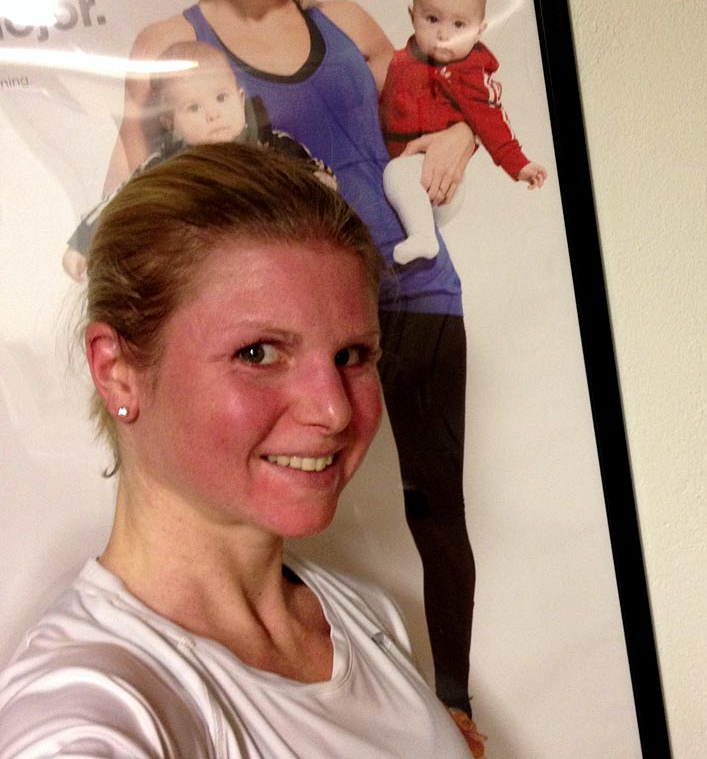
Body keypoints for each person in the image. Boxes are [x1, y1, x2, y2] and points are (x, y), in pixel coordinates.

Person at [101, 0, 483, 741]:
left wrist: (462, 135)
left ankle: (454, 704)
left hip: (414, 295)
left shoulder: (346, 25)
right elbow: (126, 205)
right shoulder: (170, 43)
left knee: (437, 504)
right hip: (281, 331)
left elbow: (437, 103)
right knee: (281, 513)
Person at [0, 143, 475, 759]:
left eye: (352, 355)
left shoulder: (364, 616)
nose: (333, 410)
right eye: (258, 353)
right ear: (118, 373)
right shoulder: (88, 708)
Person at [63, 40, 335, 281]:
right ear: (170, 122)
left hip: (272, 253)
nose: (213, 114)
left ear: (240, 98)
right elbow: (121, 202)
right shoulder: (166, 167)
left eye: (221, 98)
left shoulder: (271, 145)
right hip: (200, 266)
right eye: (194, 107)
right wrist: (83, 242)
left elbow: (316, 176)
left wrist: (321, 186)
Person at [380, 0, 547, 264]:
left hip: (435, 180)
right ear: (413, 15)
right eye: (432, 19)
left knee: (396, 174)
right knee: (394, 188)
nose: (444, 35)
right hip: (410, 180)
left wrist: (519, 165)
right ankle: (419, 236)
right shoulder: (403, 60)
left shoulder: (468, 73)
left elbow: (492, 120)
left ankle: (424, 238)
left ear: (479, 30)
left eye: (459, 24)